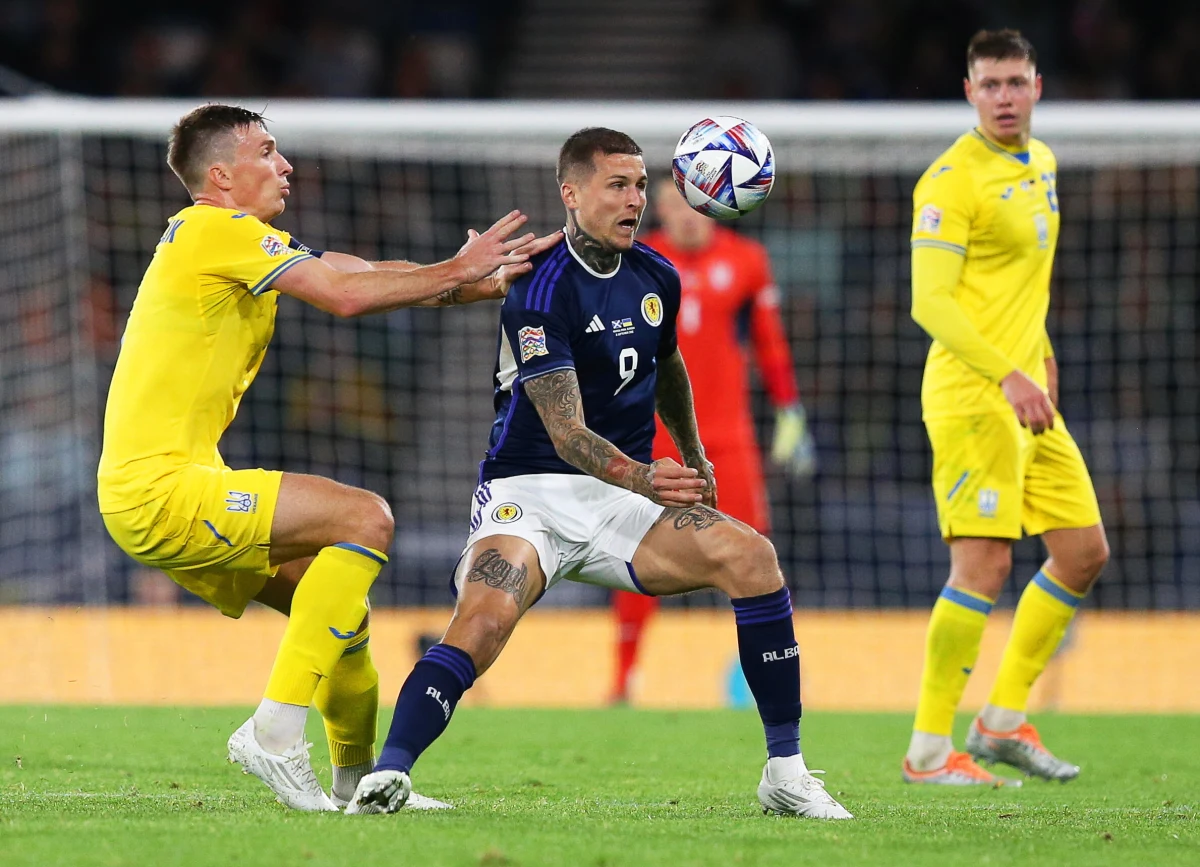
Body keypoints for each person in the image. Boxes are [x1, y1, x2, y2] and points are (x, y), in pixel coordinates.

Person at [347, 127, 852, 820]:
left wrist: (695, 450)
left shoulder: (656, 276)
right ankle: (390, 773)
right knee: (484, 621)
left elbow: (665, 363)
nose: (635, 199)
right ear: (572, 193)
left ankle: (786, 771)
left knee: (753, 557)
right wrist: (647, 477)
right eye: (617, 185)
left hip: (621, 500)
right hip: (532, 494)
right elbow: (566, 431)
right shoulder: (541, 289)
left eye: (641, 185)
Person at [97, 104, 559, 812]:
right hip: (161, 488)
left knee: (338, 610)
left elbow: (355, 269)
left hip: (167, 487)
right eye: (268, 152)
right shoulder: (210, 230)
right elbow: (343, 295)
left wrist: (473, 282)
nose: (285, 166)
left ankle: (359, 782)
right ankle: (275, 732)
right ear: (220, 175)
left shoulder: (240, 244)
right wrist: (456, 267)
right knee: (364, 518)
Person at [903, 30, 1109, 785]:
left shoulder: (1042, 163)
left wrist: (1041, 353)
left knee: (1083, 551)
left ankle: (1000, 720)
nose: (1004, 97)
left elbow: (1017, 287)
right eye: (989, 85)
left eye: (1016, 82)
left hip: (1028, 392)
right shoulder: (951, 181)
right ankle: (928, 749)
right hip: (972, 394)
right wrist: (1009, 375)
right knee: (984, 562)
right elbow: (931, 300)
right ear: (968, 91)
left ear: (1038, 86)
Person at [608, 179, 815, 703]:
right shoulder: (638, 257)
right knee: (635, 554)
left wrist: (790, 410)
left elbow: (769, 343)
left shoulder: (747, 261)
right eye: (677, 205)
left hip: (729, 440)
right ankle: (624, 679)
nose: (688, 216)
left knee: (753, 553)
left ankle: (767, 673)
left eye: (697, 205)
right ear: (660, 209)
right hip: (650, 441)